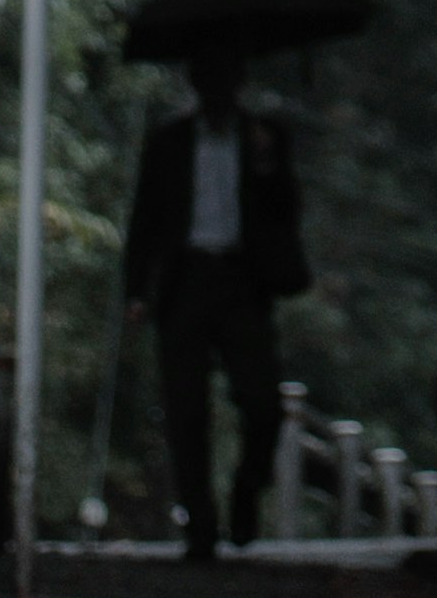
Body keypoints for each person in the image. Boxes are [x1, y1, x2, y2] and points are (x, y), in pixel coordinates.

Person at [121, 50, 309, 564]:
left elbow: (286, 213)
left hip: (244, 280)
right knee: (185, 408)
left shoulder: (264, 138)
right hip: (186, 281)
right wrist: (137, 290)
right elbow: (146, 219)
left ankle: (247, 492)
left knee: (262, 401)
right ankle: (200, 527)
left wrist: (268, 163)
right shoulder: (170, 142)